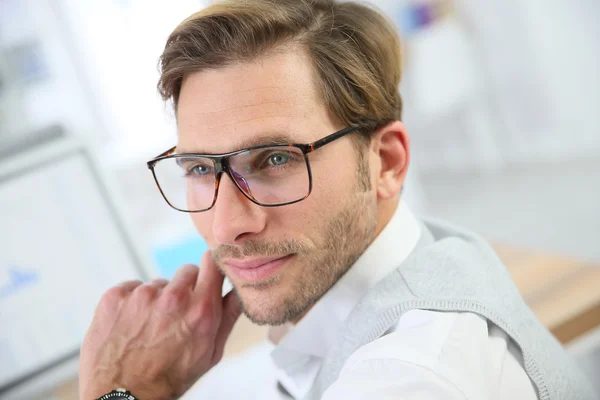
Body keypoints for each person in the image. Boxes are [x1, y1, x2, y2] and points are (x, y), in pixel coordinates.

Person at [78, 1, 596, 399]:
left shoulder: (410, 377)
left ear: (386, 162)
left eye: (274, 159)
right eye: (199, 168)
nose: (226, 226)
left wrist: (122, 393)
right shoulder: (422, 257)